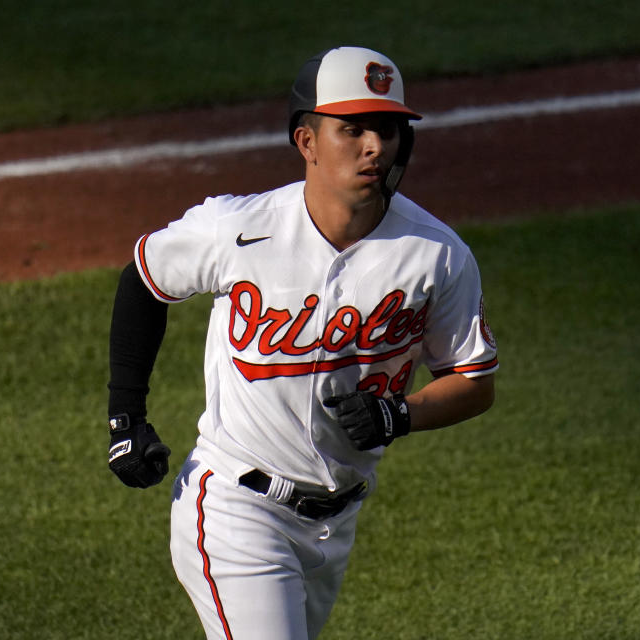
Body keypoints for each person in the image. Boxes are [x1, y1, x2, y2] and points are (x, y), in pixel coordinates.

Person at [106, 45, 498, 640]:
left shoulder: (436, 255)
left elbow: (474, 380)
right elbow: (146, 274)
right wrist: (124, 418)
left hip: (335, 525)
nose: (375, 147)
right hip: (237, 506)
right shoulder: (238, 230)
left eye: (389, 130)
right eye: (354, 129)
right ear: (307, 142)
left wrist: (401, 414)